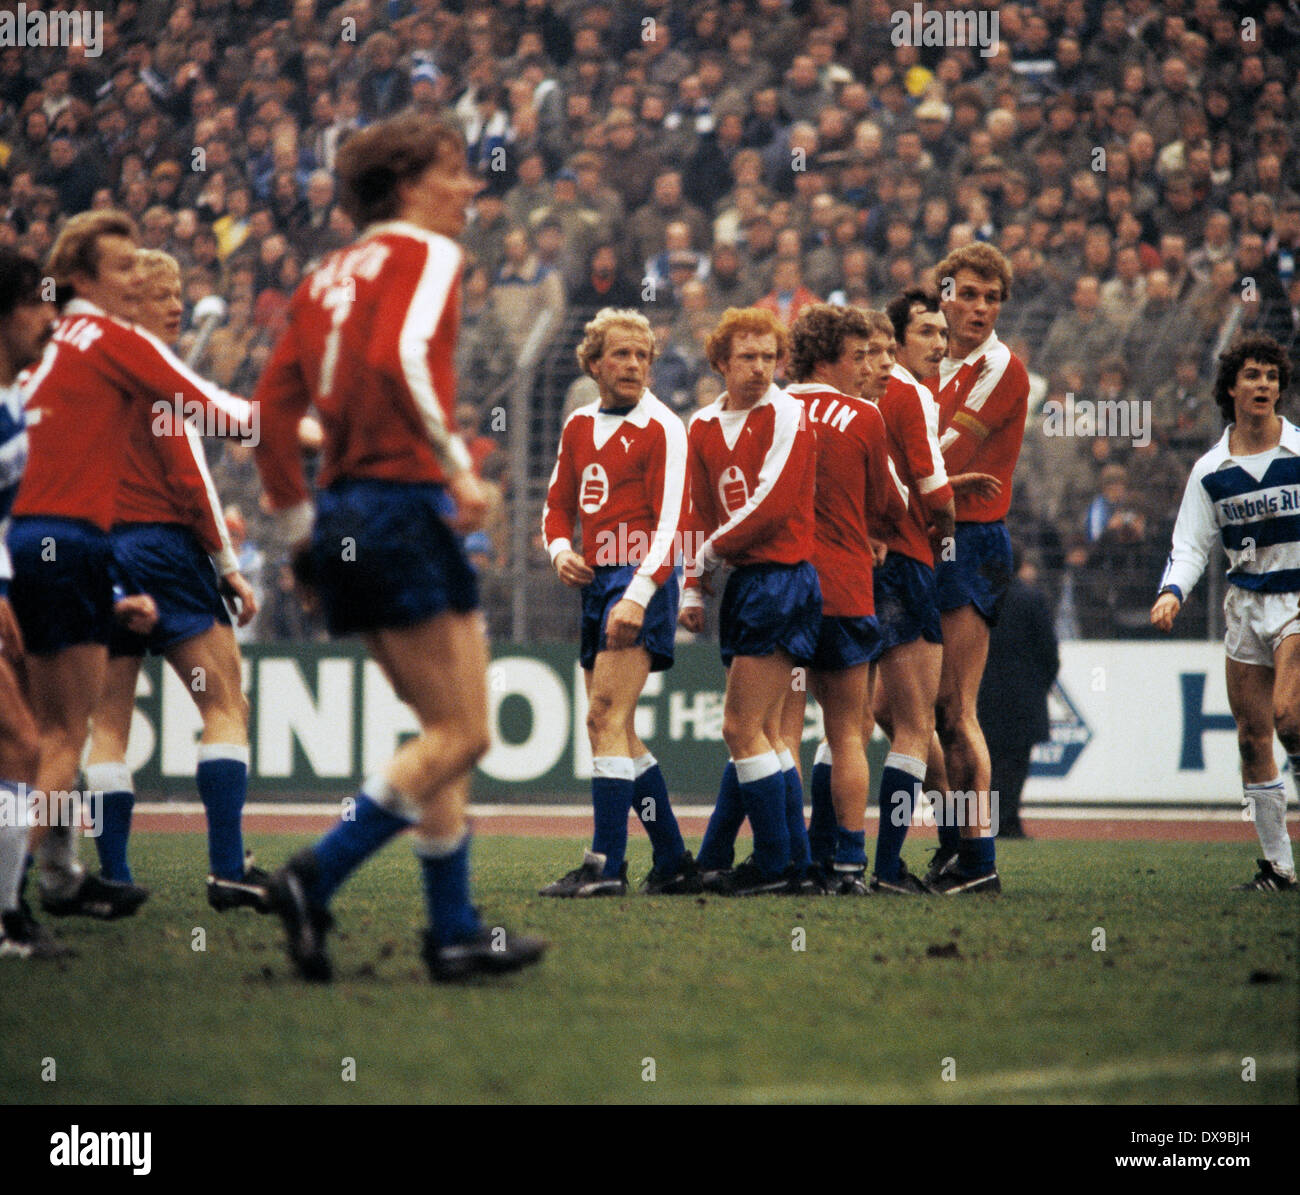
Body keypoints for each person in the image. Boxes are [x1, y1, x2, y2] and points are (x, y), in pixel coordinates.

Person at [252, 114, 546, 981]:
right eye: (454, 173)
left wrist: (303, 538)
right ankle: (317, 871)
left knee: (441, 730)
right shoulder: (426, 255)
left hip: (345, 511)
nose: (470, 189)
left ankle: (452, 929)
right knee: (464, 733)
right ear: (410, 184)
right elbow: (401, 353)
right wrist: (457, 466)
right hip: (401, 502)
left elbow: (272, 411)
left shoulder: (322, 277)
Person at [9, 211, 215, 922]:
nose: (138, 276)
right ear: (80, 279)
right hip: (72, 544)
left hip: (30, 545)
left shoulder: (41, 348)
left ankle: (64, 876)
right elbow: (205, 412)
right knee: (63, 735)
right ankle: (10, 906)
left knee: (40, 732)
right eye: (123, 267)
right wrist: (296, 428)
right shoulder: (110, 339)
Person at [81, 249, 265, 911]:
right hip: (163, 547)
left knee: (107, 723)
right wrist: (230, 567)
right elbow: (192, 480)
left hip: (98, 553)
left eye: (178, 290)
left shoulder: (83, 373)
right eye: (160, 292)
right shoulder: (156, 375)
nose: (175, 302)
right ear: (127, 304)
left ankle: (116, 877)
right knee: (224, 704)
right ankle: (226, 869)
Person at [539, 307, 696, 896]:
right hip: (597, 579)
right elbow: (556, 504)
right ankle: (674, 858)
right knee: (618, 731)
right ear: (595, 363)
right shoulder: (579, 425)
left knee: (603, 718)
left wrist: (637, 596)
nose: (634, 364)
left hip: (640, 582)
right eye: (621, 354)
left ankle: (604, 865)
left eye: (643, 355)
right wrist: (559, 552)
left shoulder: (664, 427)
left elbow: (672, 524)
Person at [679, 307, 820, 896]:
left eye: (770, 356)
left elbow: (772, 505)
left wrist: (706, 556)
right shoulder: (703, 426)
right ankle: (797, 863)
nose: (761, 368)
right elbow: (697, 507)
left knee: (740, 727)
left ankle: (774, 865)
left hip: (781, 578)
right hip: (747, 584)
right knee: (761, 730)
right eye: (748, 357)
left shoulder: (790, 414)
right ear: (720, 362)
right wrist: (691, 583)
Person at [1152, 333, 1299, 891]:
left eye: (1270, 376)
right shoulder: (1211, 470)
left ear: (1280, 387)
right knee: (1251, 737)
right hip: (1246, 607)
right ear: (1232, 388)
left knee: (1290, 717)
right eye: (1252, 375)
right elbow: (1190, 545)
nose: (1262, 384)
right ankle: (1279, 868)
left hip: (1296, 601)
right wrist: (1172, 592)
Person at [780, 304, 908, 894]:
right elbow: (888, 504)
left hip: (782, 589)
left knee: (773, 734)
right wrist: (872, 532)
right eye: (857, 356)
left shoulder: (771, 411)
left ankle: (787, 860)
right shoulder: (863, 416)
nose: (867, 366)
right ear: (828, 358)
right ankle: (849, 866)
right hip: (848, 588)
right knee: (847, 733)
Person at [925, 243, 1030, 893]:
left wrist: (884, 486)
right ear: (944, 293)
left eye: (992, 298)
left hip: (973, 539)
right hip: (928, 533)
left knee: (956, 708)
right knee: (908, 708)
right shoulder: (931, 362)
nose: (981, 308)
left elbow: (947, 450)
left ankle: (978, 860)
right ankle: (951, 843)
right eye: (969, 293)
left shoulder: (1000, 368)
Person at [869, 288, 958, 893]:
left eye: (943, 334)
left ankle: (949, 836)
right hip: (907, 563)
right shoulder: (912, 394)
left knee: (877, 713)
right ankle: (896, 863)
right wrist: (944, 519)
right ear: (898, 341)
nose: (940, 344)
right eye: (926, 331)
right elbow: (931, 485)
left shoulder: (863, 397)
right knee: (915, 722)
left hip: (866, 567)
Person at [0, 247, 68, 957]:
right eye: (37, 305)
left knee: (20, 742)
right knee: (23, 742)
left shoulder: (14, 399)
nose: (50, 320)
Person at [977, 547, 1059, 839]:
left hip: (984, 692)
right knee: (1015, 763)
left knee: (988, 760)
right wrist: (1040, 685)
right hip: (1025, 694)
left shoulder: (980, 598)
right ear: (1022, 563)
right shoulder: (1032, 598)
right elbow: (1049, 651)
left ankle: (992, 820)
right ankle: (1007, 820)